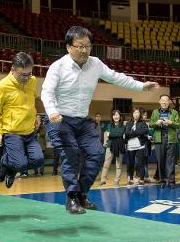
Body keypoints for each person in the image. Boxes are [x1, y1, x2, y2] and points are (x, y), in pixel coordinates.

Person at [41, 26, 159, 214]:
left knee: (97, 153)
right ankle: (71, 198)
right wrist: (52, 111)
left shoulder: (95, 64)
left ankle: (81, 194)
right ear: (68, 47)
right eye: (79, 46)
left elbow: (116, 77)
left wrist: (141, 87)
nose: (84, 50)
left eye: (87, 46)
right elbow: (46, 92)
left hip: (82, 120)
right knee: (70, 155)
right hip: (60, 119)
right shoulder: (58, 67)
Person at [0, 52, 44, 188]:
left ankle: (10, 165)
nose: (27, 78)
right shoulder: (2, 86)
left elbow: (32, 101)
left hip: (29, 131)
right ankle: (7, 163)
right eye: (23, 74)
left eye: (29, 73)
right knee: (20, 164)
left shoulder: (32, 81)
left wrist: (36, 115)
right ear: (13, 69)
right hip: (12, 132)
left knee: (38, 160)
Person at [149, 94, 180, 189]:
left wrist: (171, 123)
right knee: (160, 161)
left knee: (170, 161)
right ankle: (162, 180)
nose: (164, 102)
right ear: (159, 102)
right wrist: (156, 123)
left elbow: (178, 125)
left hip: (170, 139)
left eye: (166, 100)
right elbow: (150, 124)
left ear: (169, 102)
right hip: (159, 139)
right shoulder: (155, 112)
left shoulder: (174, 112)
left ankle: (171, 181)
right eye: (162, 100)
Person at [99, 110, 125, 186]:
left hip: (120, 146)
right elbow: (108, 135)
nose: (116, 117)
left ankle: (117, 181)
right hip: (110, 145)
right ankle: (103, 180)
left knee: (118, 165)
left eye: (117, 115)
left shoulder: (123, 126)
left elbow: (119, 133)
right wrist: (114, 134)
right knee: (106, 164)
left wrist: (112, 134)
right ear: (112, 117)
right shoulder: (110, 125)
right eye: (114, 115)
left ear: (120, 116)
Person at [125, 107, 149, 186]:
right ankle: (131, 178)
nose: (136, 114)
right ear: (132, 114)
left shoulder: (143, 123)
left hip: (140, 146)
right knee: (131, 163)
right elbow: (127, 134)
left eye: (137, 113)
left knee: (140, 163)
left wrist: (133, 133)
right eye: (134, 113)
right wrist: (137, 133)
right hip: (130, 146)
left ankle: (141, 179)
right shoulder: (129, 123)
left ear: (140, 114)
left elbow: (145, 131)